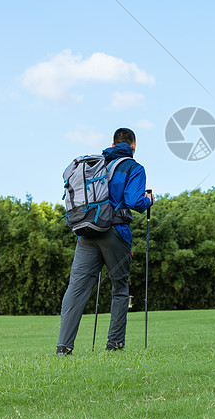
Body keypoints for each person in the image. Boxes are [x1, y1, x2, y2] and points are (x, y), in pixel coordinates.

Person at [56, 128, 153, 355]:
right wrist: (148, 200)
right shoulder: (134, 167)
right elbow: (133, 201)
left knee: (77, 288)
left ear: (113, 143)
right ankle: (114, 345)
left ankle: (63, 347)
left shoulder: (96, 165)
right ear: (133, 145)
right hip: (115, 232)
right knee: (120, 288)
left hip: (86, 231)